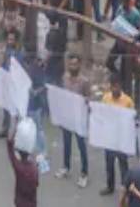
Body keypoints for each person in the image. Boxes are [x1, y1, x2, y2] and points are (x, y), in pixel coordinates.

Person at [54, 53, 90, 189]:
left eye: (75, 64)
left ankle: (84, 173)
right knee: (67, 143)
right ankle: (66, 167)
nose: (72, 66)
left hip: (79, 118)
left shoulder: (84, 81)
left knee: (81, 146)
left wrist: (84, 100)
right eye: (70, 64)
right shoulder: (65, 77)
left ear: (79, 65)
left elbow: (89, 98)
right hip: (67, 117)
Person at [100, 74, 134, 197]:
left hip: (122, 139)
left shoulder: (128, 101)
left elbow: (131, 120)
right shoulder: (105, 98)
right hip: (109, 138)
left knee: (123, 164)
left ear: (121, 86)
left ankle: (125, 189)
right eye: (113, 87)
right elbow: (102, 114)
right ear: (110, 87)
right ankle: (110, 186)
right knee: (109, 164)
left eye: (117, 87)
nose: (115, 89)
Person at [6, 127, 39, 207]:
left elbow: (10, 151)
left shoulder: (18, 167)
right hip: (32, 203)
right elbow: (36, 183)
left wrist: (15, 131)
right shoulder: (34, 168)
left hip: (20, 202)